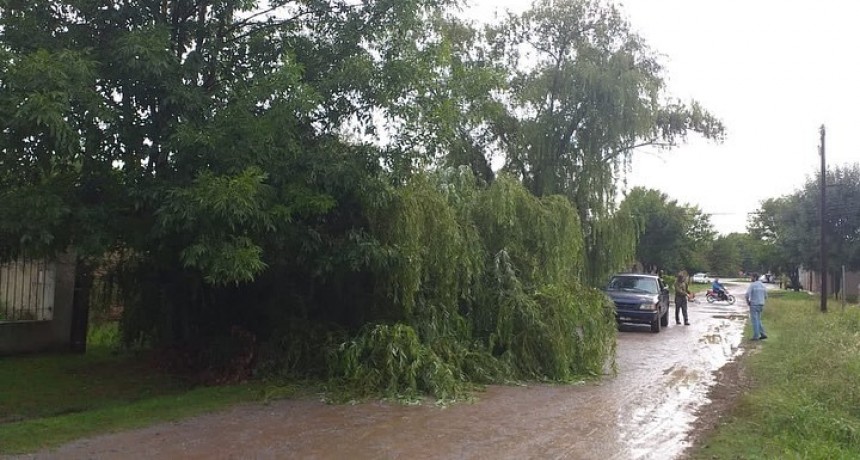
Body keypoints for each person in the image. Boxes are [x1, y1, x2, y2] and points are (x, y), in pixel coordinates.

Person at [745, 273, 768, 341]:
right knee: (758, 319)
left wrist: (748, 302)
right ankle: (763, 334)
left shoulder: (752, 285)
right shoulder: (762, 285)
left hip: (754, 304)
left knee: (754, 320)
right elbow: (766, 296)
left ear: (754, 278)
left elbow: (747, 294)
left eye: (751, 277)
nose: (751, 278)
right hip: (761, 304)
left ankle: (756, 336)